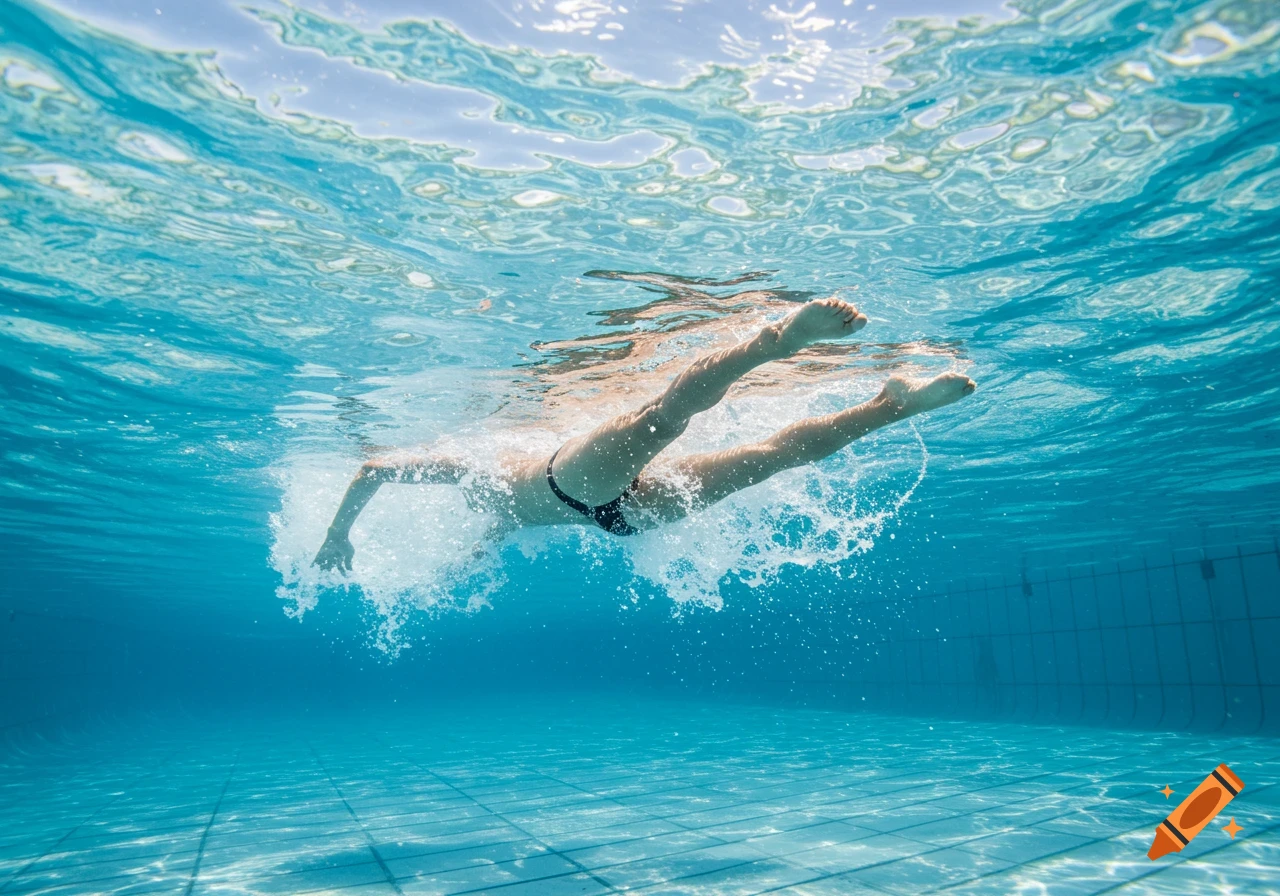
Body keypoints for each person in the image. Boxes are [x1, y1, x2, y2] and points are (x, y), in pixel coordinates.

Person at [314, 297, 974, 572]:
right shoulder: (490, 511)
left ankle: (781, 340)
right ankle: (891, 404)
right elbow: (383, 478)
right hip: (606, 503)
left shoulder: (467, 471)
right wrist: (351, 538)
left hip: (586, 494)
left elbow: (374, 468)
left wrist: (336, 537)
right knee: (747, 450)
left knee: (669, 420)